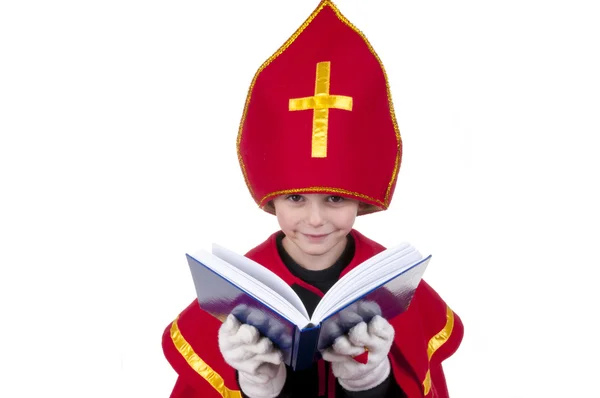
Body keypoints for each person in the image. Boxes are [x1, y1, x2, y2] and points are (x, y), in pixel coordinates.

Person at [162, 1, 463, 397]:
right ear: (271, 200)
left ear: (363, 201)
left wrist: (373, 384)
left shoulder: (394, 285)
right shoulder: (239, 287)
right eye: (296, 199)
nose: (316, 219)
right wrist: (254, 386)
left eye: (336, 199)